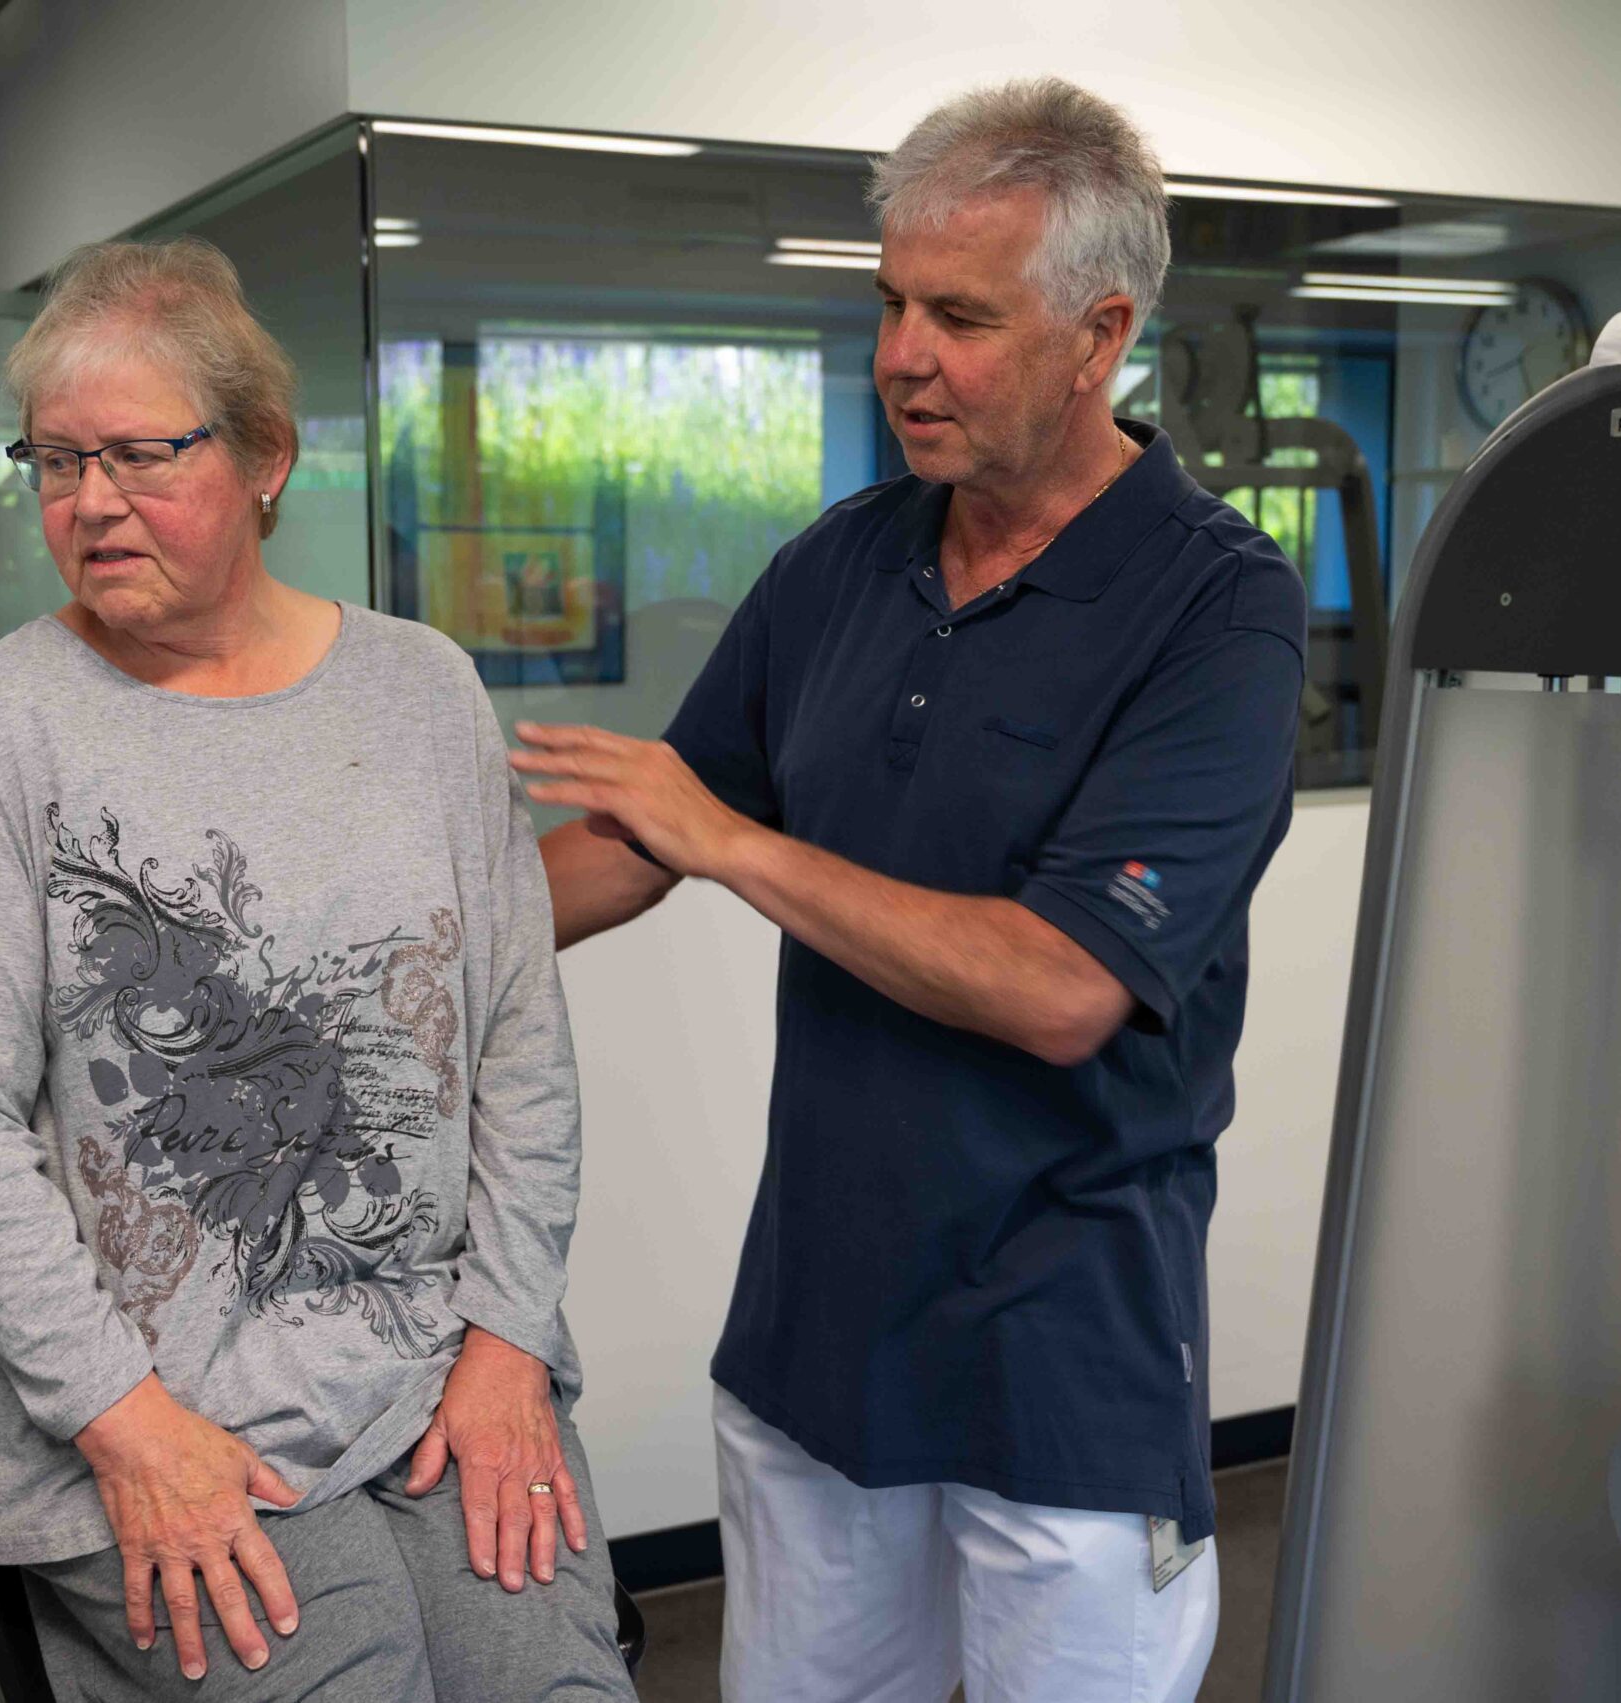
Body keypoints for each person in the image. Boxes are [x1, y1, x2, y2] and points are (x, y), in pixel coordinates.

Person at [514, 78, 1305, 1703]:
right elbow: (639, 839)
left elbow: (1063, 985)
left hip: (1065, 1361)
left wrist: (736, 844)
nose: (902, 356)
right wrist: (377, 955)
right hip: (818, 1336)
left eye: (961, 317)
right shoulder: (840, 561)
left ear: (1097, 336)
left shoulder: (1217, 607)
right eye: (891, 305)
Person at [0, 236, 635, 1702]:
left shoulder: (424, 691)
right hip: (145, 1412)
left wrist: (508, 1342)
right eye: (56, 462)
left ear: (265, 455)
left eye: (138, 455)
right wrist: (124, 1423)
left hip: (438, 1369)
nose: (92, 502)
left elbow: (518, 1048)